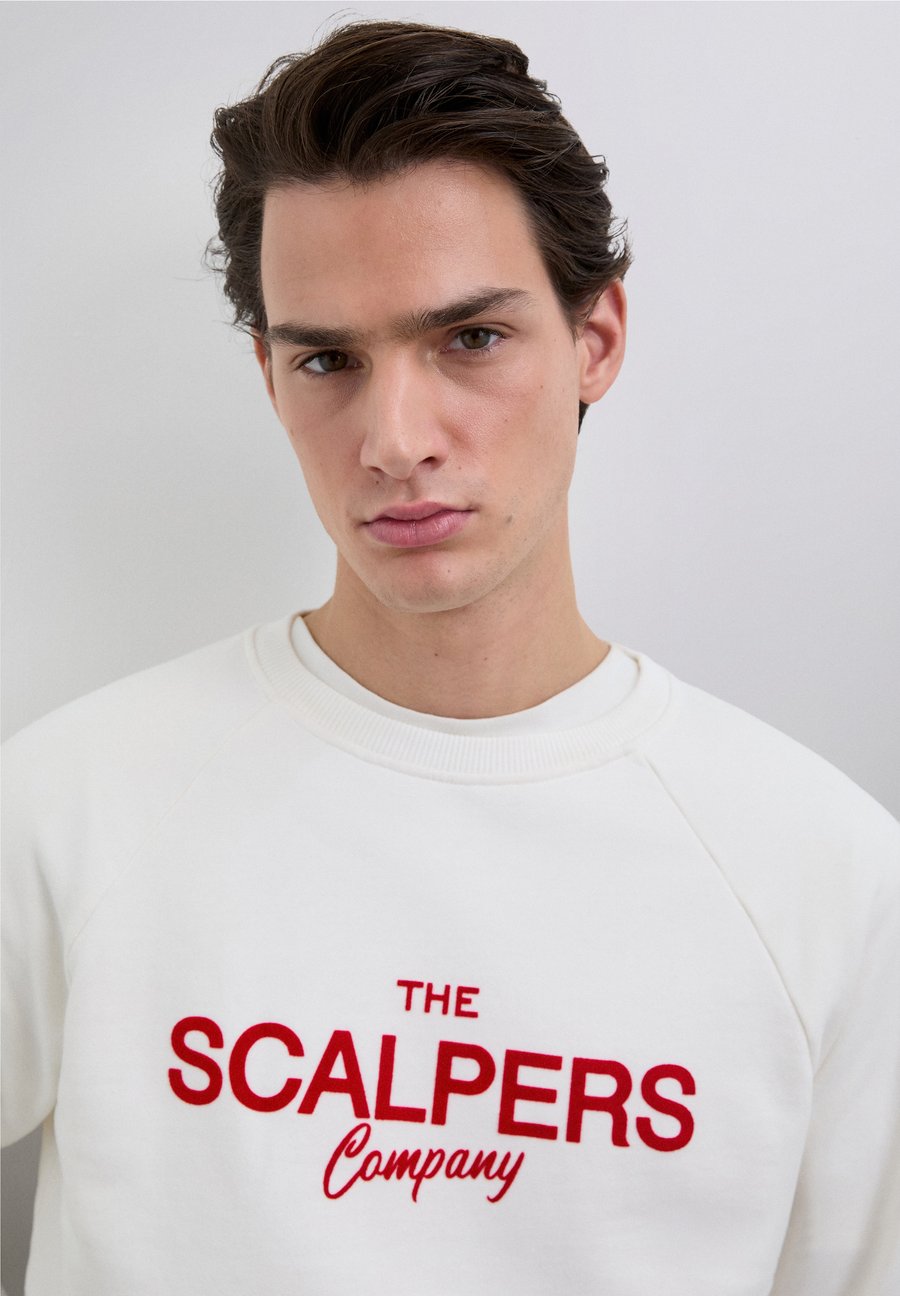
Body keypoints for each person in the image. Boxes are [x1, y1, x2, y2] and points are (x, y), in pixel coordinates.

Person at [2, 18, 898, 1296]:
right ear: (269, 377)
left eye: (470, 339)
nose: (395, 438)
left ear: (595, 339)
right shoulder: (70, 809)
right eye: (327, 359)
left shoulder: (827, 880)